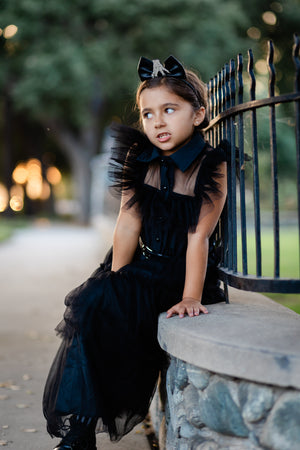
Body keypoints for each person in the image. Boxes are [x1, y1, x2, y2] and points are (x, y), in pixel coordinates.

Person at [43, 55, 227, 450]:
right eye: (147, 114)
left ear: (197, 115)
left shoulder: (211, 165)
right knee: (97, 307)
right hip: (143, 268)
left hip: (183, 273)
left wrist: (191, 295)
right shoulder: (139, 157)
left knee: (110, 311)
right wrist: (117, 279)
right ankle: (79, 432)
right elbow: (127, 223)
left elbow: (199, 238)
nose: (157, 122)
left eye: (169, 110)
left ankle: (83, 429)